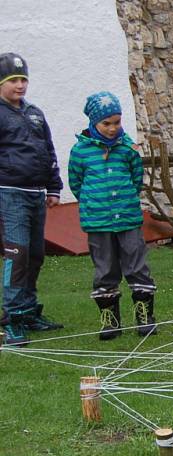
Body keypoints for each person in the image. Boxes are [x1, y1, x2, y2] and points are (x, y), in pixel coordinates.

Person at [68, 91, 157, 341]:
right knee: (105, 268)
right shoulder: (80, 152)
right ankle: (110, 320)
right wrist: (93, 202)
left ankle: (144, 314)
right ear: (94, 123)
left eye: (116, 122)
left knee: (136, 265)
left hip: (127, 218)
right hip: (98, 221)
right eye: (106, 123)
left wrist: (125, 198)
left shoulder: (127, 148)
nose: (112, 128)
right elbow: (76, 183)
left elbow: (136, 178)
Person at [0, 52, 63, 347]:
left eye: (23, 79)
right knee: (18, 254)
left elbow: (47, 150)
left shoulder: (35, 113)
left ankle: (28, 312)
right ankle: (11, 318)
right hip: (8, 194)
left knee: (36, 254)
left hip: (36, 194)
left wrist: (53, 187)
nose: (20, 85)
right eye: (13, 80)